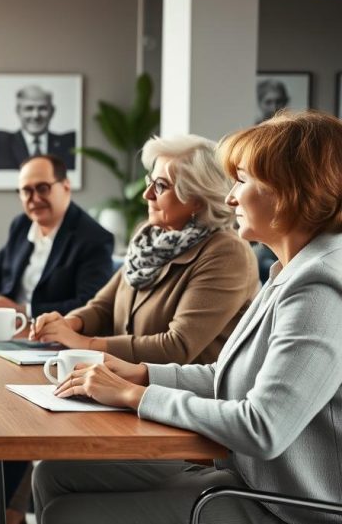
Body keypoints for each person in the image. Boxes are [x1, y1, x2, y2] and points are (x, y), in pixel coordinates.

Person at [34, 111, 342, 524]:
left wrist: (134, 396)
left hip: (287, 507)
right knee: (55, 472)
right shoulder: (286, 271)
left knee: (72, 514)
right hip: (241, 477)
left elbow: (263, 427)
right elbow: (227, 377)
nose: (231, 196)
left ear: (290, 192)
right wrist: (140, 373)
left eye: (243, 180)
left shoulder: (319, 288)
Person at [0, 154, 114, 508]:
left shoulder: (92, 238)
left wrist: (24, 312)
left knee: (10, 405)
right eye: (25, 191)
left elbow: (91, 303)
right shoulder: (21, 226)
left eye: (42, 188)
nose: (33, 198)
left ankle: (8, 505)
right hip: (6, 337)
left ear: (65, 187)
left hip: (49, 343)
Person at [31, 134, 258, 365]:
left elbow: (176, 347)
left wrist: (86, 345)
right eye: (150, 181)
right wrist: (67, 324)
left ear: (198, 199)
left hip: (178, 396)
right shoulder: (150, 239)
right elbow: (103, 307)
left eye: (160, 186)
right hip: (122, 385)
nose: (146, 194)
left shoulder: (227, 253)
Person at [0, 85, 77, 170]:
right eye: (29, 108)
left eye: (42, 108)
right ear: (18, 111)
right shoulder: (0, 144)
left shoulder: (69, 144)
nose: (36, 115)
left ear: (52, 111)